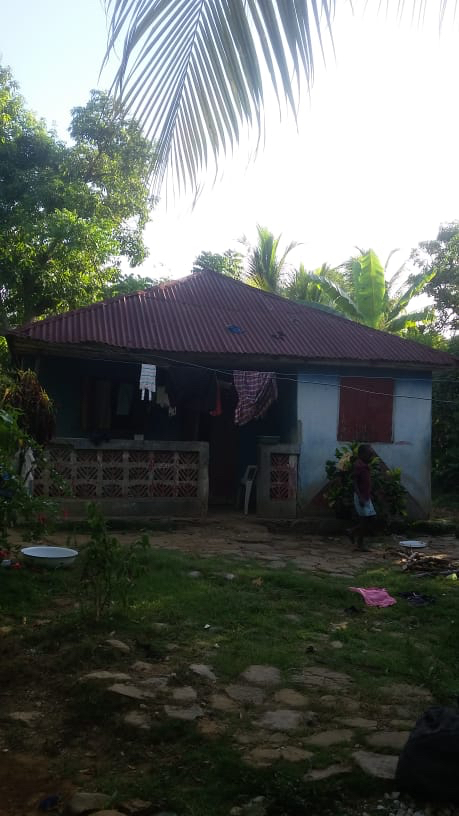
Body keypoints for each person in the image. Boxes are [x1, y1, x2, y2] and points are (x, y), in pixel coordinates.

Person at [347, 444, 376, 551]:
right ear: (361, 454)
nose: (371, 457)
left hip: (366, 497)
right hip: (361, 497)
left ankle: (352, 531)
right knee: (365, 521)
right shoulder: (358, 466)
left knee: (371, 518)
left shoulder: (364, 465)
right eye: (369, 455)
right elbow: (355, 482)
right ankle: (360, 543)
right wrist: (360, 497)